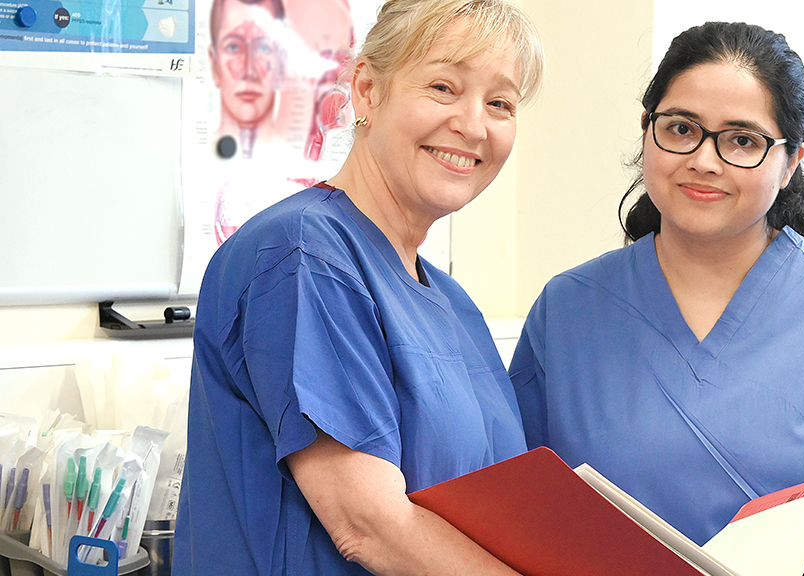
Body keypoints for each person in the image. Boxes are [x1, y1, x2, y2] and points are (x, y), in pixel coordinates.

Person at [510, 21, 804, 576]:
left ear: (791, 160)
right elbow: (521, 516)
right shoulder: (568, 310)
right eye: (680, 129)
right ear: (647, 131)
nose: (703, 160)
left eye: (742, 140)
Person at [174, 1, 544, 574]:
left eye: (500, 103)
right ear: (367, 90)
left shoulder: (452, 304)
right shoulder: (303, 255)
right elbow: (367, 527)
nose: (474, 125)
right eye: (443, 87)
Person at [208, 0, 286, 159]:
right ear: (214, 63)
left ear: (281, 66)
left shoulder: (303, 173)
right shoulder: (192, 164)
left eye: (264, 48)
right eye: (233, 47)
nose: (249, 71)